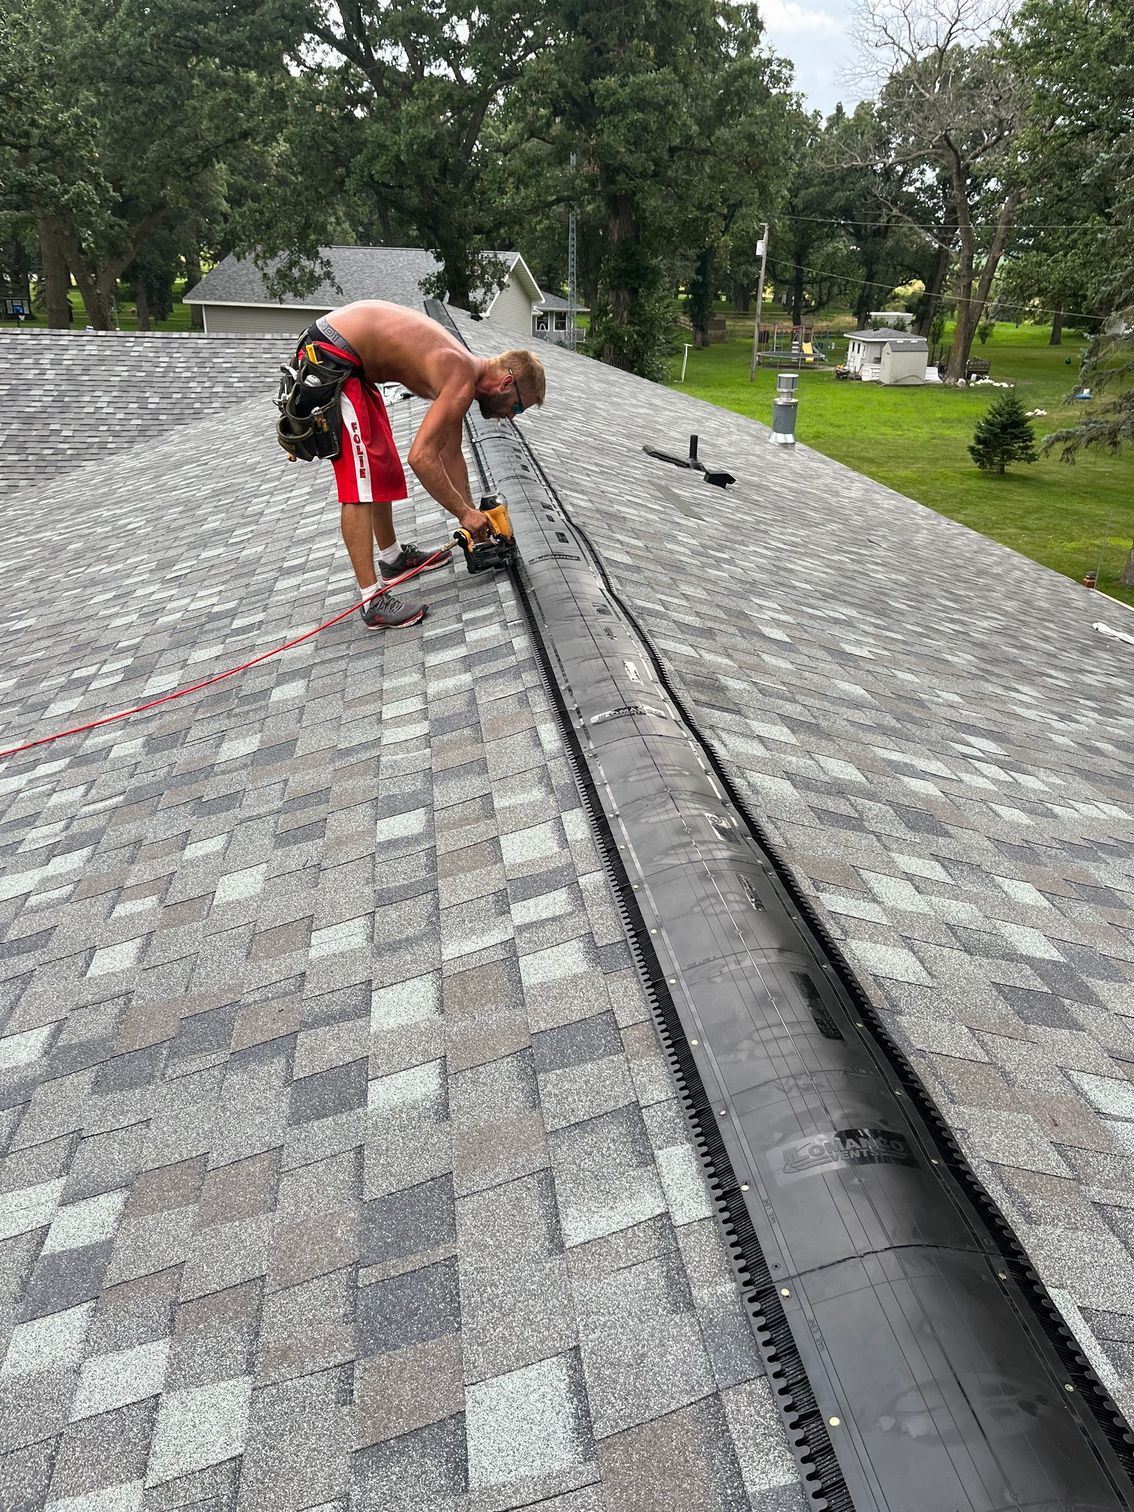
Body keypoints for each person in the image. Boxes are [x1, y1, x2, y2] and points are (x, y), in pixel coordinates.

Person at [292, 300, 546, 630]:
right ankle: (372, 601)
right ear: (506, 384)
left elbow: (451, 455)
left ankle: (393, 558)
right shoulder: (460, 377)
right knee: (360, 481)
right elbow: (422, 458)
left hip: (351, 363)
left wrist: (475, 520)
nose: (511, 416)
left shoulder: (463, 376)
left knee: (382, 464)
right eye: (519, 408)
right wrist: (465, 514)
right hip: (331, 355)